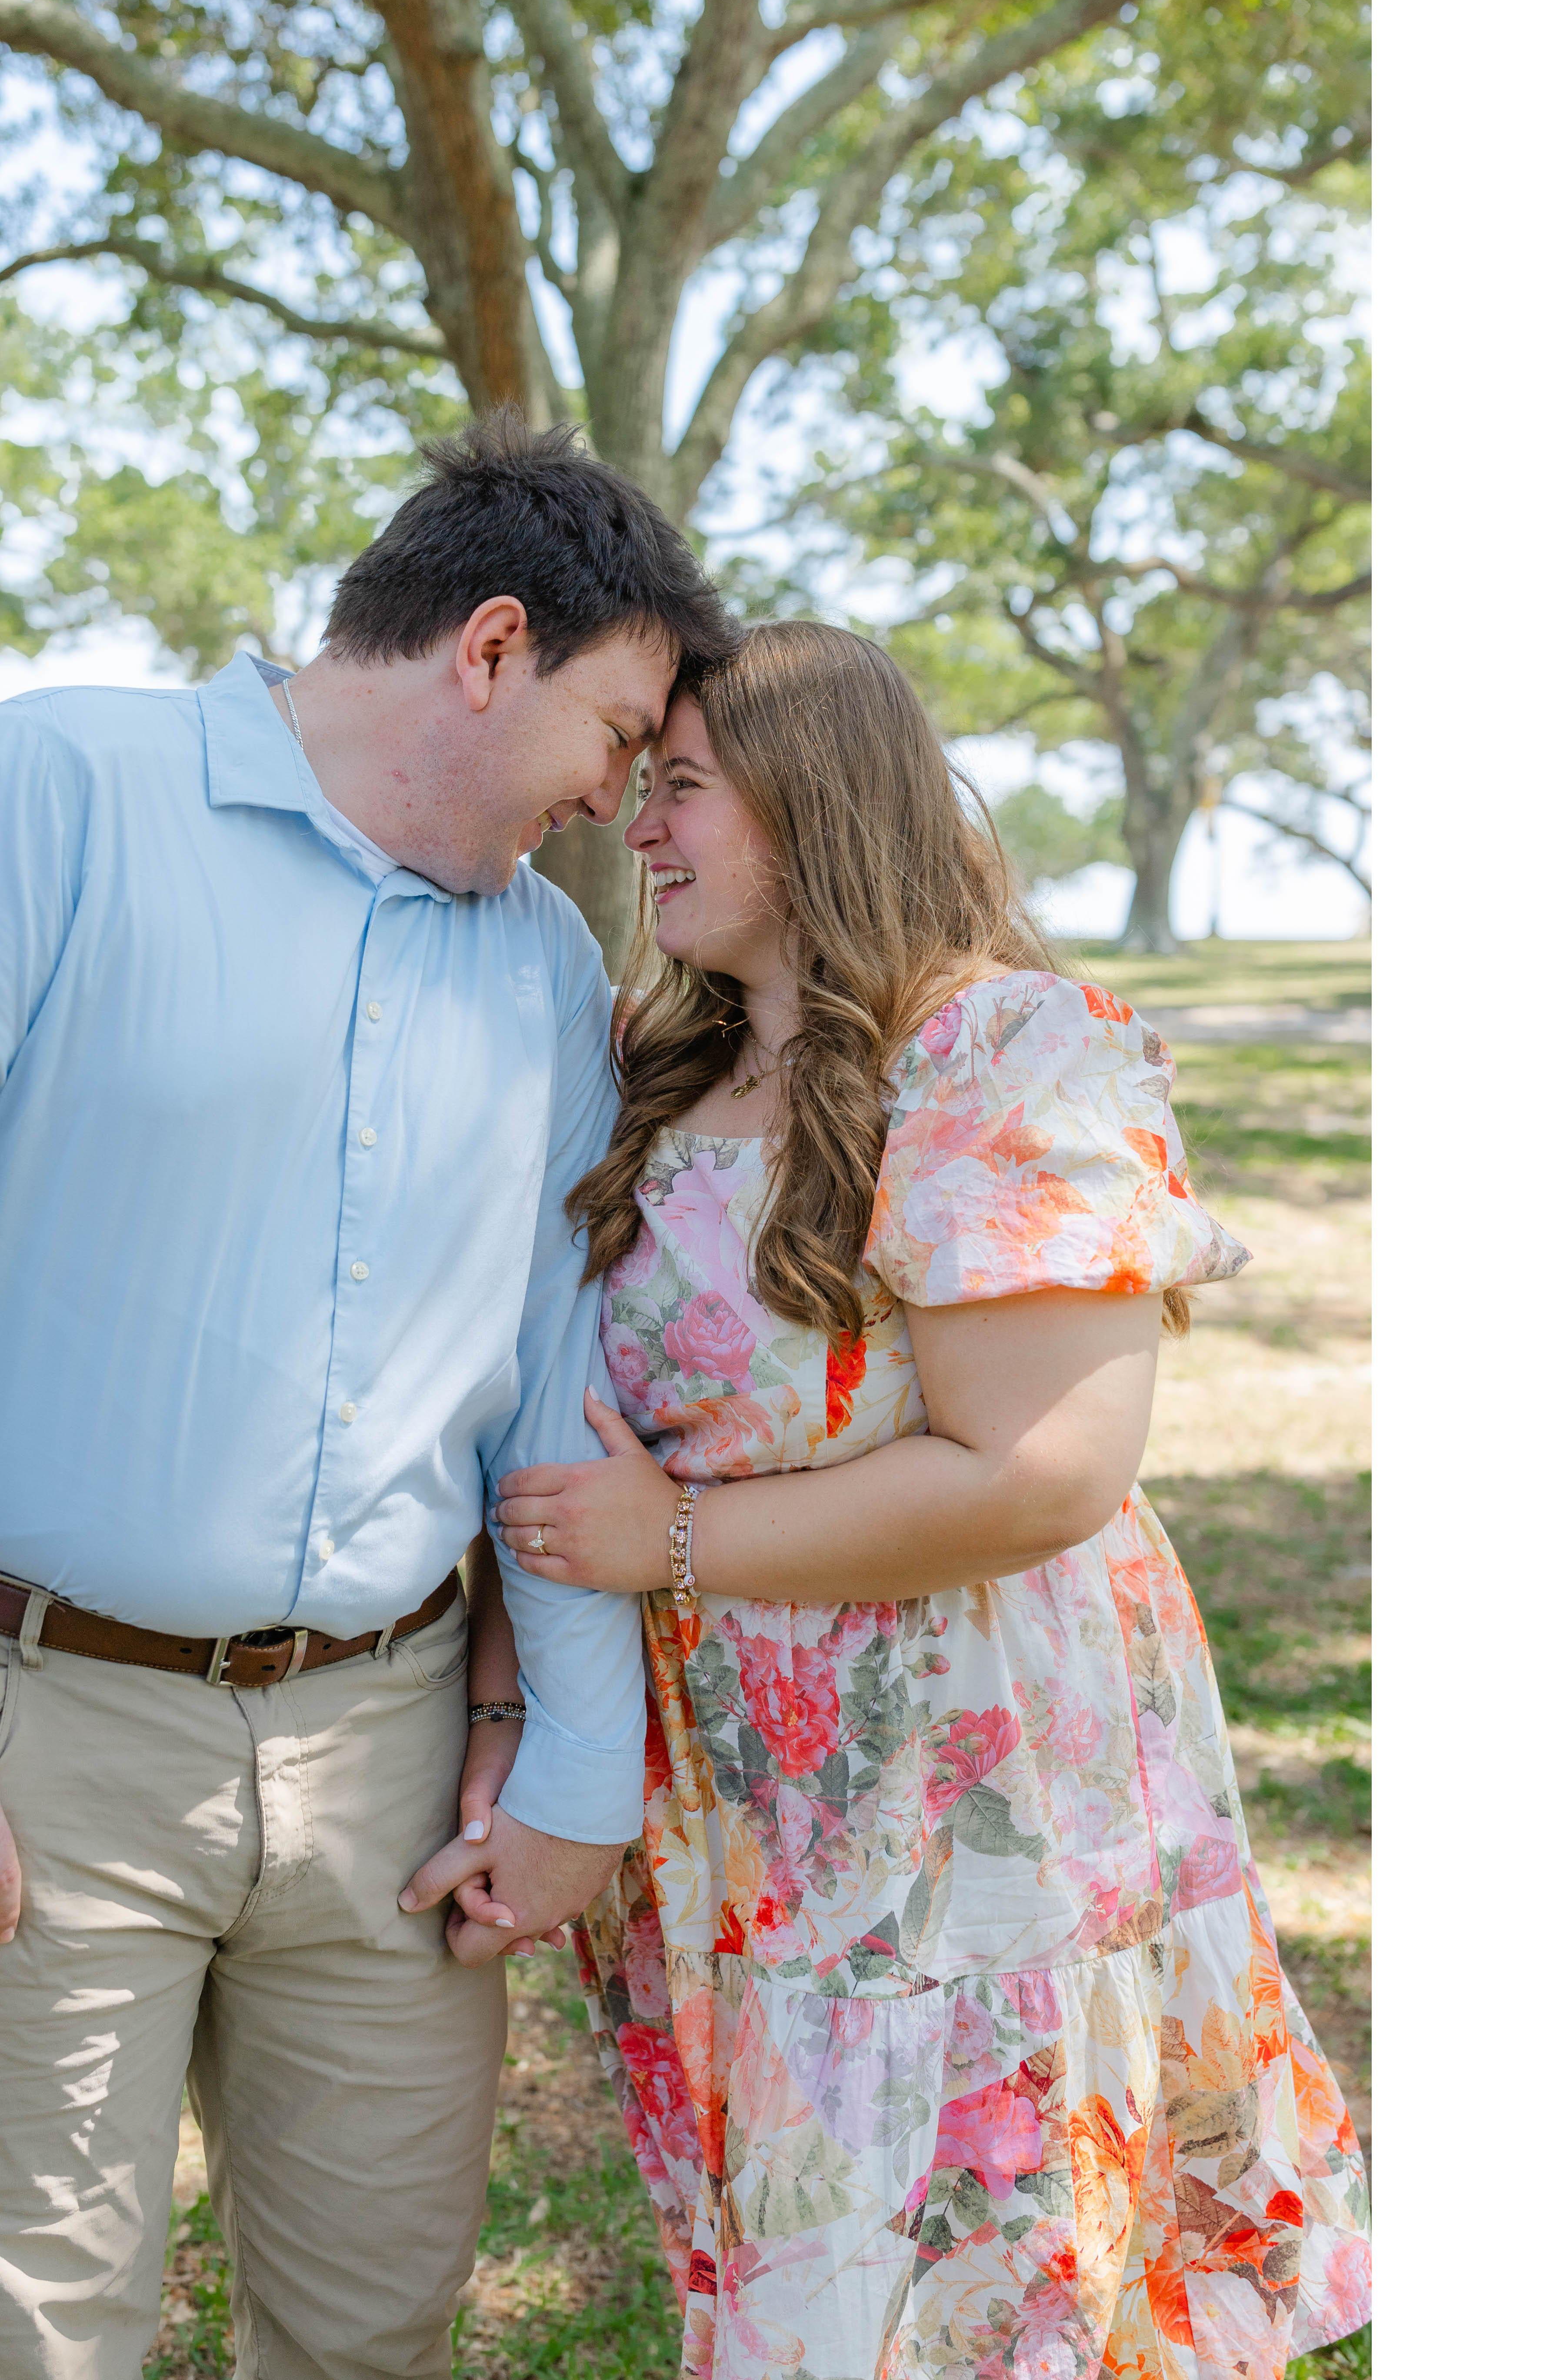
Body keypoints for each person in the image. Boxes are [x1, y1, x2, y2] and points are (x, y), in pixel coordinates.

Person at [0, 413, 741, 2380]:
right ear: (490, 647)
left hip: (389, 1759)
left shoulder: (543, 961)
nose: (620, 802)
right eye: (619, 735)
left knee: (374, 2331)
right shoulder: (51, 792)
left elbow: (548, 1370)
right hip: (30, 1742)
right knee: (28, 2342)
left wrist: (572, 1758)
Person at [492, 622, 1372, 2377]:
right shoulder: (660, 1065)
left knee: (983, 2277)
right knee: (801, 2258)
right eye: (641, 782)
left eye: (682, 788)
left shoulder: (999, 1048)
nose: (638, 826)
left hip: (963, 1783)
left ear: (811, 801)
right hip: (742, 1788)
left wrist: (674, 1538)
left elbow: (1045, 1468)